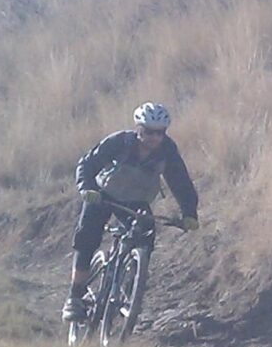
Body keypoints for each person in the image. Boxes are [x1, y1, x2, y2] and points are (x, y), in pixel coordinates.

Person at [64, 102, 199, 323]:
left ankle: (129, 287)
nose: (155, 138)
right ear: (139, 129)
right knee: (86, 238)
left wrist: (189, 213)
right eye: (149, 132)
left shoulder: (168, 151)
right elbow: (87, 164)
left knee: (146, 235)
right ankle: (74, 297)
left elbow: (181, 182)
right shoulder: (119, 142)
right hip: (102, 195)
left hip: (136, 201)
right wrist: (87, 188)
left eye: (160, 133)